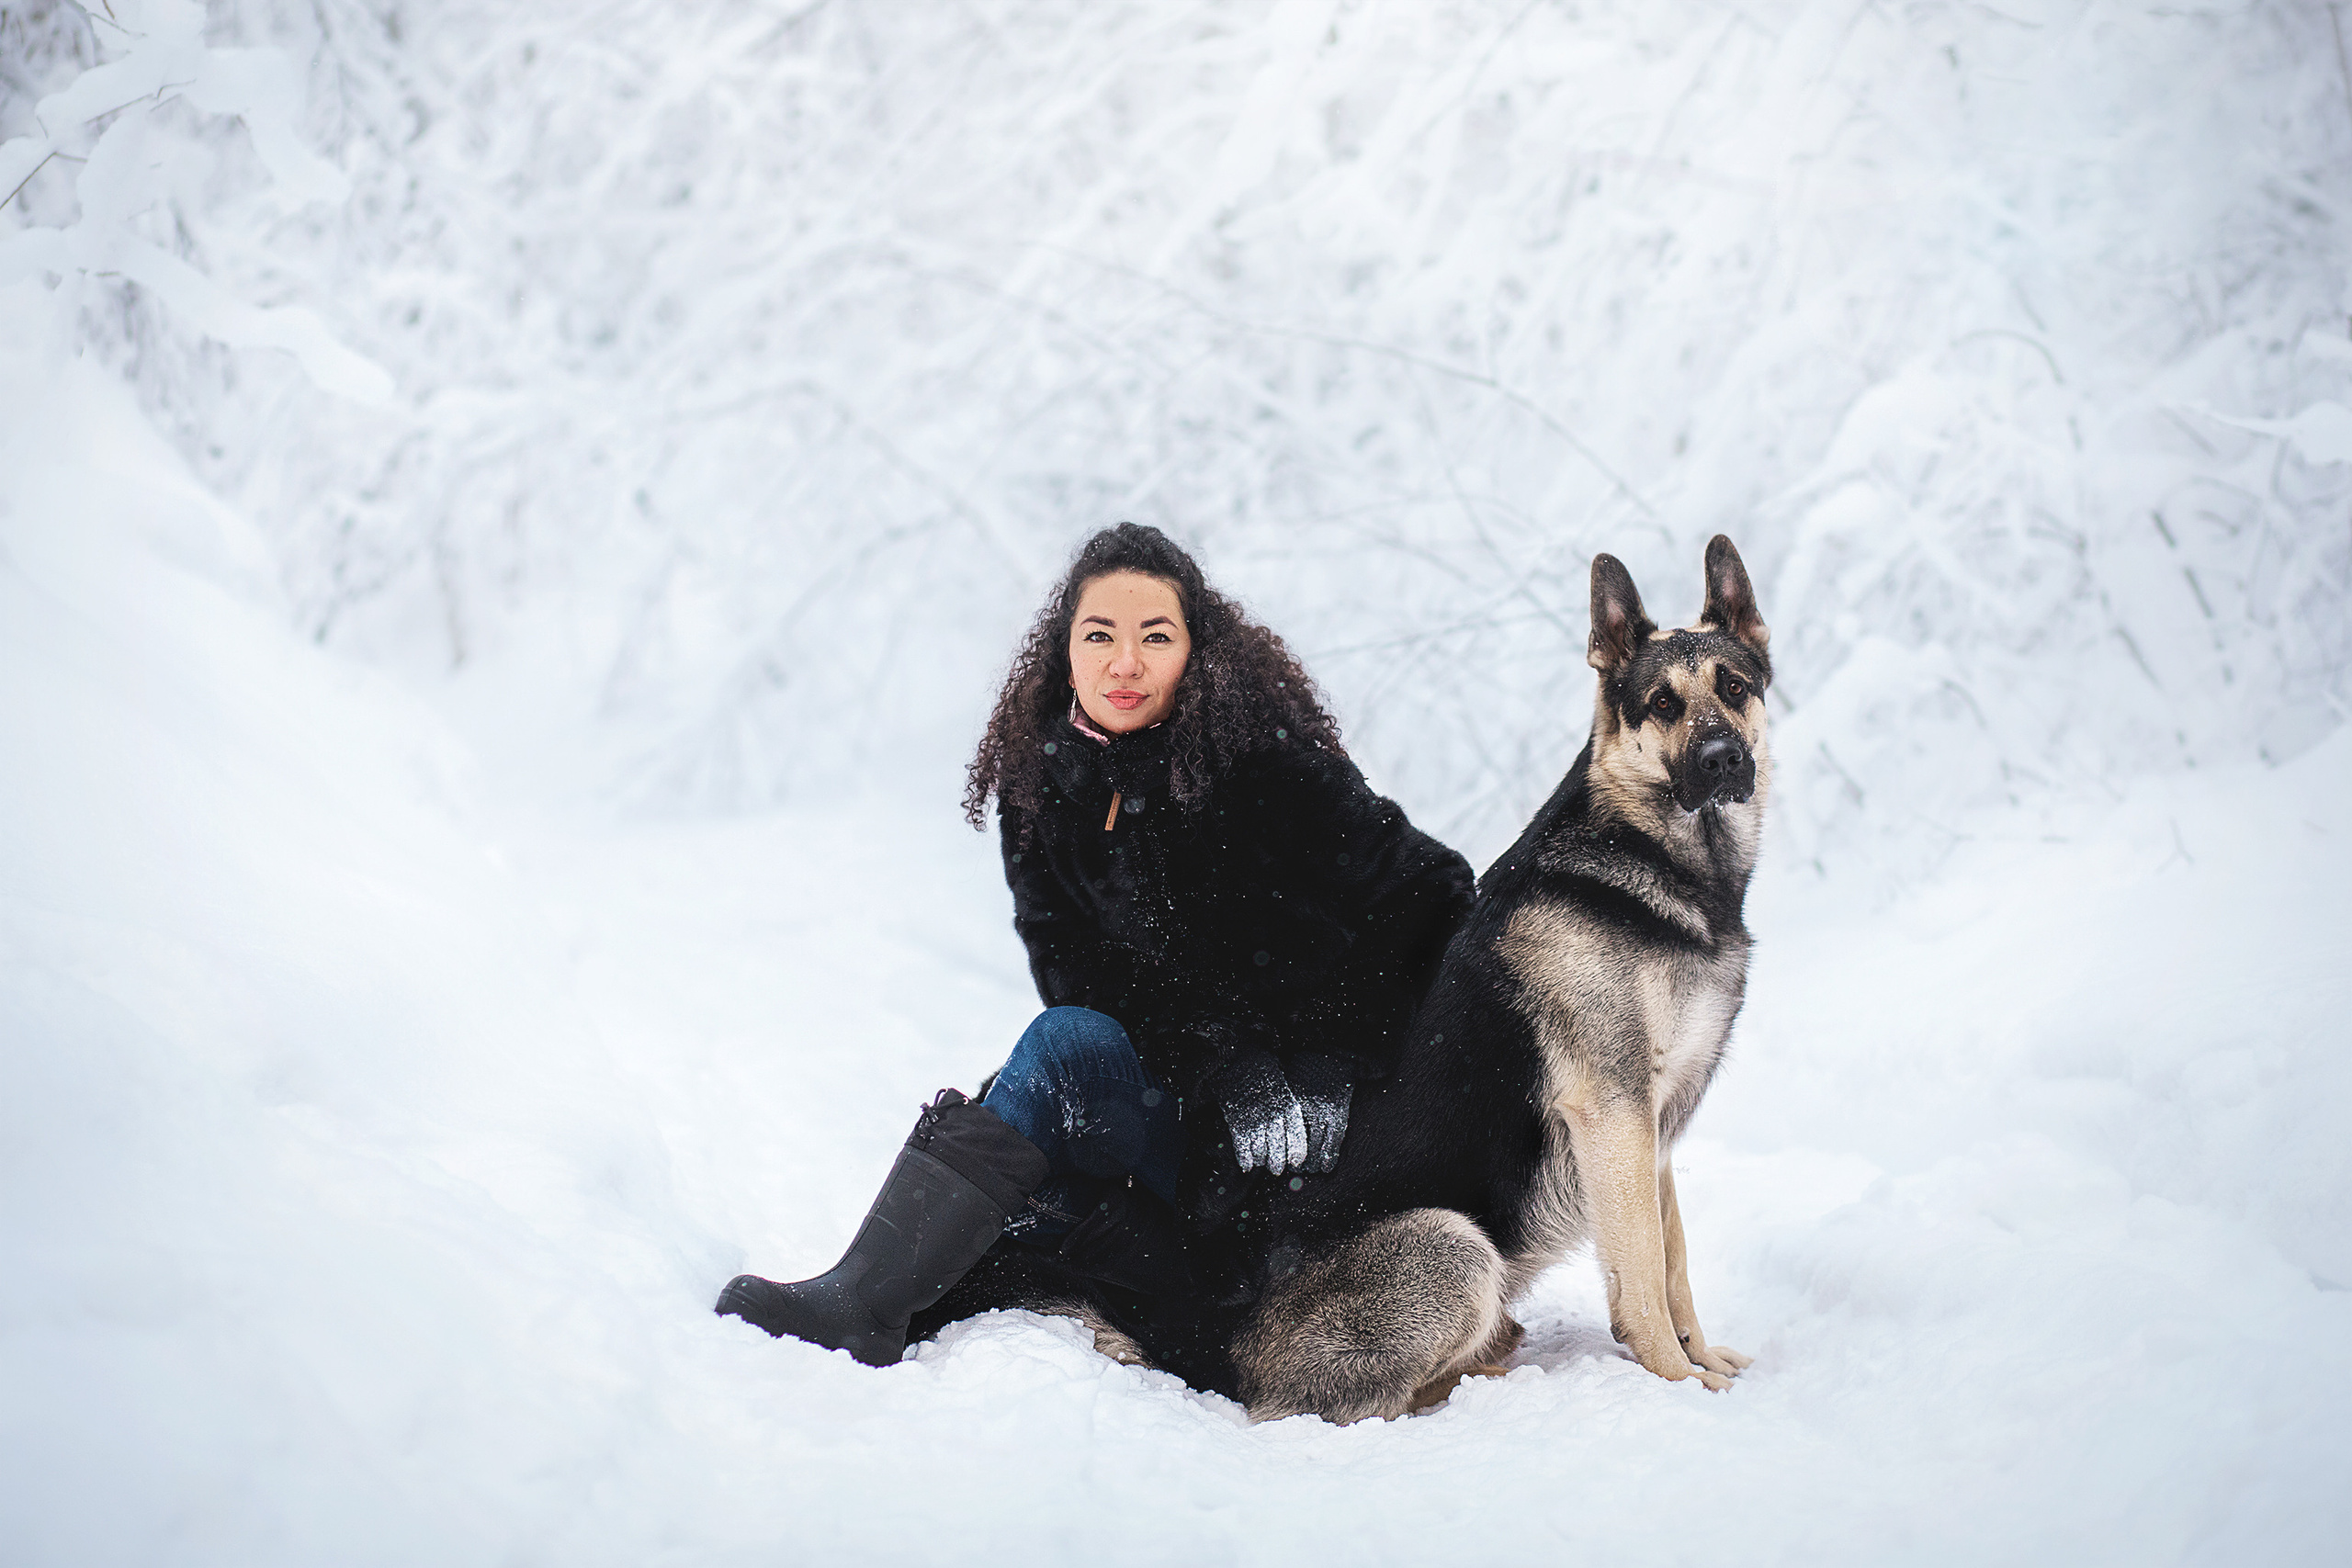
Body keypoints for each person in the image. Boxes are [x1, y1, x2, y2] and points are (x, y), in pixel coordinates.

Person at [717, 524, 1475, 1367]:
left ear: (1197, 651)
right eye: (1101, 635)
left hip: (1308, 1153)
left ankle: (872, 1302)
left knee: (1058, 1077)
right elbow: (1077, 974)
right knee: (1043, 1091)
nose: (1126, 663)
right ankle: (874, 1301)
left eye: (1157, 637)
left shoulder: (1271, 765)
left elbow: (1439, 896)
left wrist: (1336, 1059)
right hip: (1181, 1117)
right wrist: (1219, 1060)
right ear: (1065, 649)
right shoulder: (1042, 787)